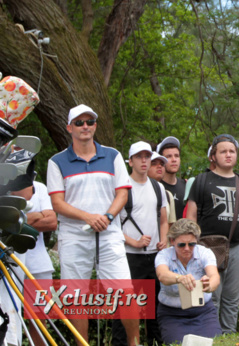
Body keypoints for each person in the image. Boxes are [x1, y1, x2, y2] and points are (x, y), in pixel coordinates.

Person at [46, 104, 141, 344]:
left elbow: (122, 194)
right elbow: (57, 202)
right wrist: (89, 217)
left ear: (95, 126)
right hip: (74, 236)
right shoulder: (56, 161)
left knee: (124, 292)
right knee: (76, 297)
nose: (85, 126)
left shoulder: (113, 155)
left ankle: (134, 342)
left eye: (89, 122)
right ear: (69, 128)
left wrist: (107, 217)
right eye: (79, 123)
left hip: (109, 234)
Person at [186, 134, 239, 334]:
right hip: (207, 247)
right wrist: (191, 246)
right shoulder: (202, 180)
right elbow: (191, 215)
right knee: (210, 298)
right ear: (213, 156)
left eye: (232, 151)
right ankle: (210, 336)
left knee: (232, 299)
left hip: (238, 247)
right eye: (223, 151)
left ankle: (228, 336)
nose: (228, 155)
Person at [113, 141, 170, 346]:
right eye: (139, 157)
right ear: (130, 161)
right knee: (126, 305)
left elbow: (163, 219)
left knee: (154, 305)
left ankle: (155, 342)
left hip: (154, 256)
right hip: (130, 256)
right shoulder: (122, 188)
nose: (144, 160)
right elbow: (112, 226)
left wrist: (163, 239)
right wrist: (133, 242)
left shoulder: (158, 187)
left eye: (147, 156)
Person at [155, 219, 222, 345]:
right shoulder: (164, 255)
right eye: (181, 245)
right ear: (172, 241)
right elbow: (162, 275)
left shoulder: (205, 253)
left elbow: (214, 277)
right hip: (172, 314)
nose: (187, 248)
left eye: (191, 244)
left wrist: (209, 286)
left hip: (203, 312)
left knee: (213, 342)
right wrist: (179, 278)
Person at [9, 178, 56, 346]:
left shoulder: (39, 187)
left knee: (38, 322)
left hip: (39, 266)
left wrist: (17, 219)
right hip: (9, 265)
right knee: (9, 317)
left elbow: (51, 222)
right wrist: (37, 215)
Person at [158, 136, 187, 220]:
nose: (174, 160)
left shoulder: (186, 186)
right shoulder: (157, 187)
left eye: (177, 156)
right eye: (169, 156)